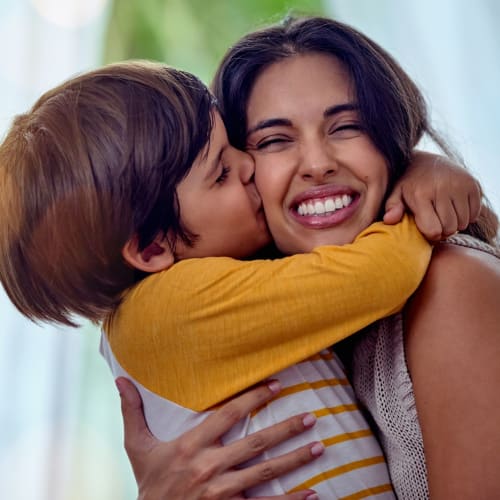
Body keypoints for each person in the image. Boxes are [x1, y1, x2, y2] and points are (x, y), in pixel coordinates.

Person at [0, 54, 486, 498]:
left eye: (347, 127)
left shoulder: (220, 288)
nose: (250, 166)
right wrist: (414, 186)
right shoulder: (170, 311)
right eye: (222, 172)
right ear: (150, 249)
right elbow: (380, 275)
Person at [118, 15, 500, 500]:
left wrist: (420, 170)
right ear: (239, 172)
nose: (318, 163)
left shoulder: (452, 286)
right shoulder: (273, 326)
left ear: (389, 137)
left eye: (348, 127)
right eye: (275, 140)